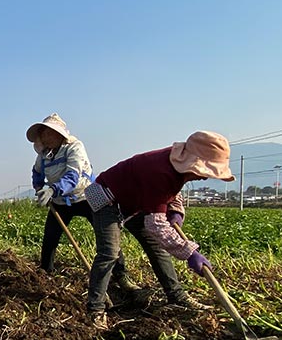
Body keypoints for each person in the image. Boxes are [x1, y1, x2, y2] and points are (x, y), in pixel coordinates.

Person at [84, 131, 235, 329]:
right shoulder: (160, 171)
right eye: (206, 172)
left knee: (156, 247)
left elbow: (172, 189)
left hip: (134, 202)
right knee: (109, 253)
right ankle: (95, 309)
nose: (205, 179)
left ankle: (176, 296)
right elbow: (156, 224)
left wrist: (175, 211)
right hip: (106, 198)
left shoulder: (175, 165)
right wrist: (189, 253)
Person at [26, 113, 140, 292]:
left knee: (107, 236)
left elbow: (73, 176)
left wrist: (53, 189)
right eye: (43, 133)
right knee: (50, 237)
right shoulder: (44, 155)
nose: (44, 137)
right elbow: (37, 172)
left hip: (87, 196)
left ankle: (121, 275)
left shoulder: (75, 147)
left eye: (48, 133)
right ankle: (45, 274)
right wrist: (39, 187)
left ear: (59, 134)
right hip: (61, 200)